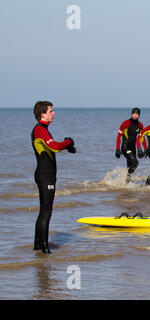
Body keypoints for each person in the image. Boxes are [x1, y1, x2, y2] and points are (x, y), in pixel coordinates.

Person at [31, 101, 76, 254]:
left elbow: (52, 147)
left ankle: (38, 246)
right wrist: (69, 141)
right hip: (45, 176)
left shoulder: (43, 130)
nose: (53, 113)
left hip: (46, 175)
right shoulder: (40, 130)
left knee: (44, 210)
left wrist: (68, 146)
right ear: (42, 114)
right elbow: (55, 147)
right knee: (46, 211)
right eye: (51, 111)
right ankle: (45, 249)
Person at [115, 107, 144, 183]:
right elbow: (119, 136)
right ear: (131, 114)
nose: (135, 115)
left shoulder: (140, 125)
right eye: (133, 114)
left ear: (139, 115)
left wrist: (141, 149)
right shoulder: (125, 123)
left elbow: (141, 138)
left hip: (133, 148)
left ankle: (126, 184)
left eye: (137, 114)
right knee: (136, 162)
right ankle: (127, 178)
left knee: (130, 166)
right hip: (125, 147)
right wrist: (117, 149)